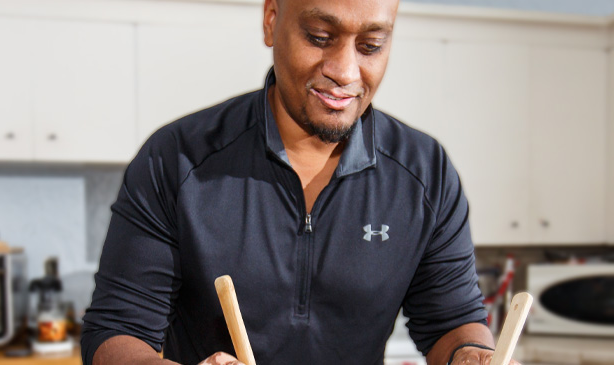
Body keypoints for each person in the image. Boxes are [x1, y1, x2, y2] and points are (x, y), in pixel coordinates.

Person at [82, 0, 519, 364]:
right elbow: (115, 332)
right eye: (319, 37)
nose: (345, 72)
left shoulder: (426, 174)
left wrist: (472, 354)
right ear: (272, 20)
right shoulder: (175, 159)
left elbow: (450, 321)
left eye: (370, 46)